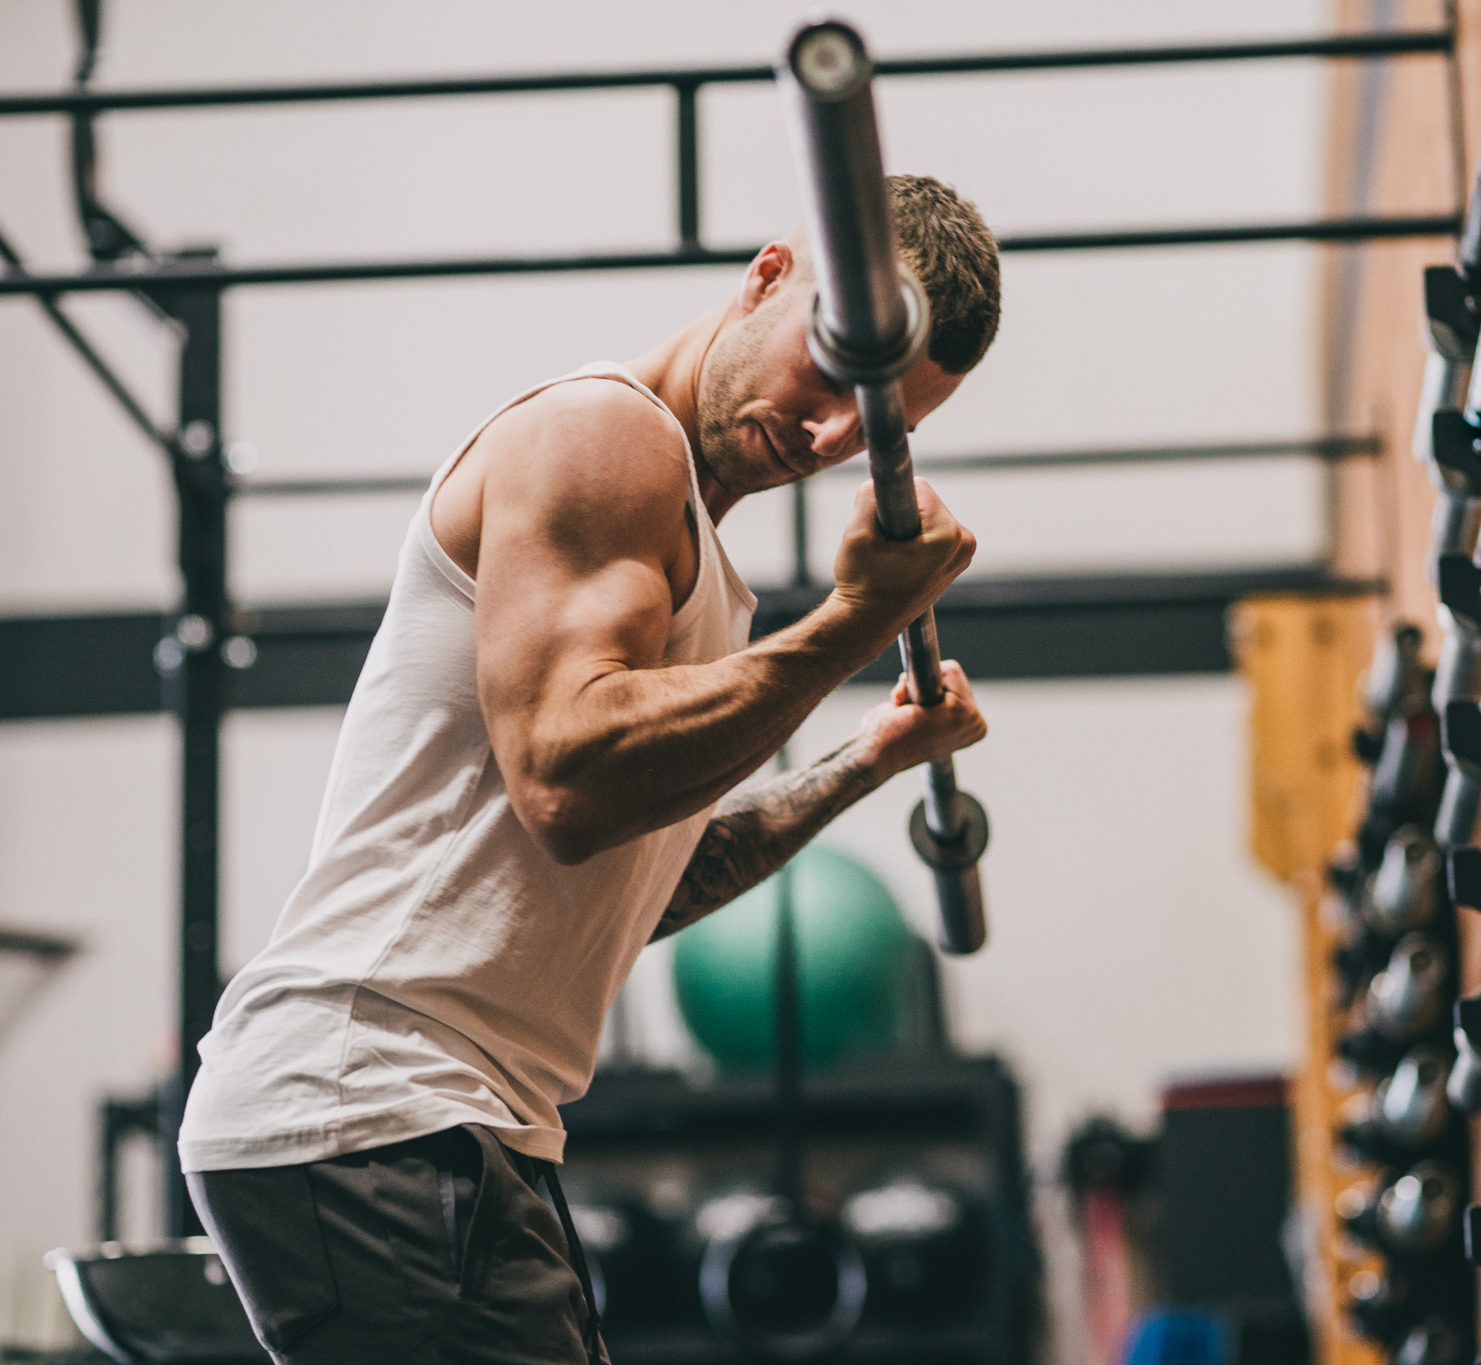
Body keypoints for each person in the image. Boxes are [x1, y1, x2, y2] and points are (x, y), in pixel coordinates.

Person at [176, 174, 1001, 1365]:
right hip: (374, 1097)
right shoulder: (605, 438)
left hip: (453, 1118)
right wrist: (850, 627)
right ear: (770, 275)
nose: (826, 435)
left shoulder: (705, 581)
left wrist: (867, 758)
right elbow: (566, 780)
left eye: (877, 428)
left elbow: (635, 888)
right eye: (829, 374)